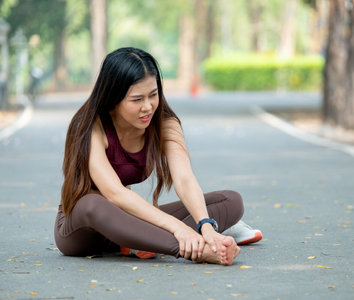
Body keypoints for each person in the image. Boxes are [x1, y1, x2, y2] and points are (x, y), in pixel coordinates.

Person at [54, 47, 261, 266]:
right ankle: (197, 250)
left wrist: (206, 224)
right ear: (113, 99)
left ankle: (155, 241)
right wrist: (179, 228)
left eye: (153, 95)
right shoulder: (89, 126)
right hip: (84, 230)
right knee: (93, 203)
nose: (148, 107)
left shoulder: (164, 122)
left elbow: (184, 179)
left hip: (130, 221)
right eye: (136, 99)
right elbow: (114, 194)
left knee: (230, 201)